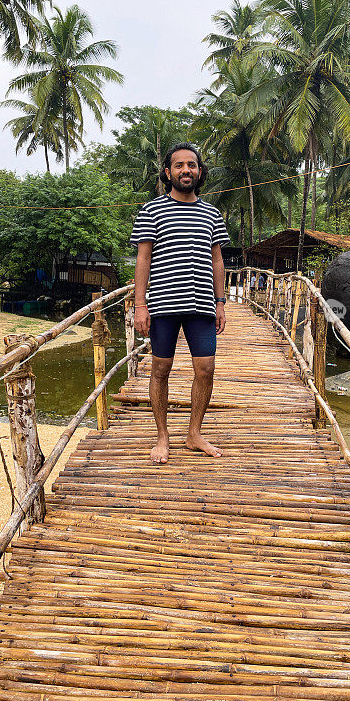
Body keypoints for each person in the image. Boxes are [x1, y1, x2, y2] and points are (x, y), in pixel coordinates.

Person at [130, 142, 231, 464]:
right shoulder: (151, 210)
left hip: (202, 304)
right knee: (160, 369)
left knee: (206, 369)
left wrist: (221, 302)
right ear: (168, 172)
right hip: (162, 305)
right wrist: (140, 304)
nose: (185, 170)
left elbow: (217, 262)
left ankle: (194, 433)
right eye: (179, 165)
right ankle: (163, 436)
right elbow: (143, 259)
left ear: (200, 172)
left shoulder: (212, 213)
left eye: (192, 165)